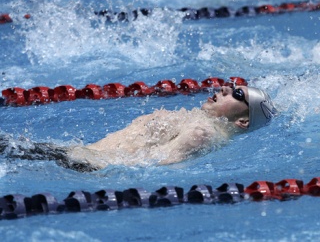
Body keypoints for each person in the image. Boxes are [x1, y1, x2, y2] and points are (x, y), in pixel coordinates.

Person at [0, 84, 278, 172]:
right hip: (78, 157)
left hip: (85, 165)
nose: (223, 89)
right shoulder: (202, 124)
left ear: (243, 121)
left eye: (236, 95)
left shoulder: (202, 131)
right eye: (229, 86)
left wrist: (101, 170)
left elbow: (162, 162)